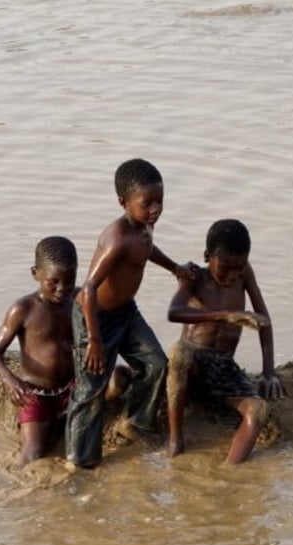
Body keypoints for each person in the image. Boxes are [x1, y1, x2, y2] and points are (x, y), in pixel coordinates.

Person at [65, 158, 195, 468]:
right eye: (147, 203)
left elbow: (148, 250)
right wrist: (94, 339)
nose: (156, 209)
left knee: (155, 363)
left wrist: (175, 268)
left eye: (160, 201)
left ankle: (135, 423)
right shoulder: (117, 238)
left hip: (127, 312)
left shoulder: (145, 227)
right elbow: (87, 292)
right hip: (94, 317)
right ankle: (78, 458)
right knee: (90, 389)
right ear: (123, 202)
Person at [165, 219, 285, 464]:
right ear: (208, 257)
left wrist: (269, 371)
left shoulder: (244, 274)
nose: (233, 274)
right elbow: (173, 312)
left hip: (223, 367)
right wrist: (222, 315)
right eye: (226, 267)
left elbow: (263, 319)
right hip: (193, 365)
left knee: (258, 410)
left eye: (238, 268)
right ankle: (175, 441)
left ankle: (231, 469)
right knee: (179, 352)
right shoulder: (195, 277)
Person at [0, 236, 80, 467]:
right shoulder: (23, 309)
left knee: (119, 379)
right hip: (36, 394)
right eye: (53, 282)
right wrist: (10, 380)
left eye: (69, 281)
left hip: (72, 386)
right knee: (33, 454)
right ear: (35, 273)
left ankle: (62, 416)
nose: (62, 289)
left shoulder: (79, 299)